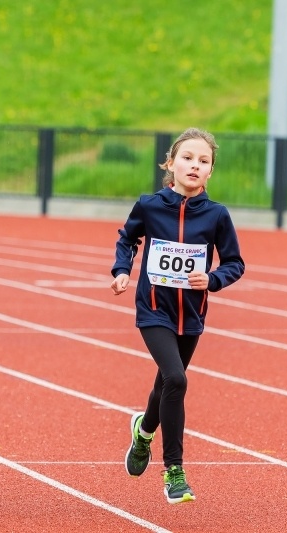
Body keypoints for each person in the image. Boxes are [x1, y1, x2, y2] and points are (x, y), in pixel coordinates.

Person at [110, 128, 244, 504]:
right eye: (188, 158)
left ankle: (143, 432)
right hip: (154, 309)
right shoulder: (150, 205)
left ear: (210, 172)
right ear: (170, 163)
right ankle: (174, 472)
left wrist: (213, 278)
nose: (195, 165)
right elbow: (128, 238)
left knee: (165, 384)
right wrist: (122, 269)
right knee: (176, 379)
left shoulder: (217, 216)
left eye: (204, 161)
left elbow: (235, 263)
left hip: (192, 314)